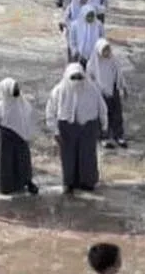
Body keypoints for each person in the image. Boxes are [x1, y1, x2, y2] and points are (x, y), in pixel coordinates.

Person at [45, 63, 107, 193]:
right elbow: (50, 112)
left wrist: (104, 124)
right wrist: (55, 131)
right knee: (68, 157)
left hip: (88, 126)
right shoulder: (59, 90)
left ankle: (88, 182)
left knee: (87, 155)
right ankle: (69, 183)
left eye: (79, 77)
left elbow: (102, 108)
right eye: (73, 78)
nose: (77, 81)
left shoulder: (92, 89)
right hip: (67, 127)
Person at [0, 78, 37, 195]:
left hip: (6, 139)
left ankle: (6, 186)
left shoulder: (0, 106)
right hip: (22, 139)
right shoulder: (25, 105)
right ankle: (26, 181)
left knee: (6, 164)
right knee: (22, 162)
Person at [88, 39, 128, 149]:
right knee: (102, 116)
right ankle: (103, 137)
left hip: (113, 90)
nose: (106, 53)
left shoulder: (113, 60)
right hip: (100, 93)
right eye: (104, 50)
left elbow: (119, 74)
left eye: (108, 50)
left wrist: (123, 87)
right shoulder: (92, 64)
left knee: (117, 114)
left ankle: (118, 135)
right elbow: (90, 80)